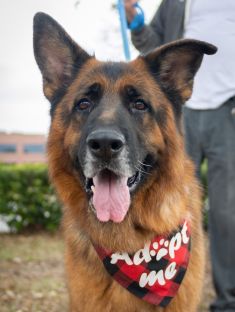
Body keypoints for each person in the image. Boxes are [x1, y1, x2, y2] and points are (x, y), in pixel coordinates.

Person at [124, 1, 235, 311]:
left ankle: (228, 301)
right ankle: (159, 292)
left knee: (227, 213)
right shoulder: (176, 2)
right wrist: (134, 20)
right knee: (172, 206)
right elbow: (151, 44)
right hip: (176, 116)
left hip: (228, 112)